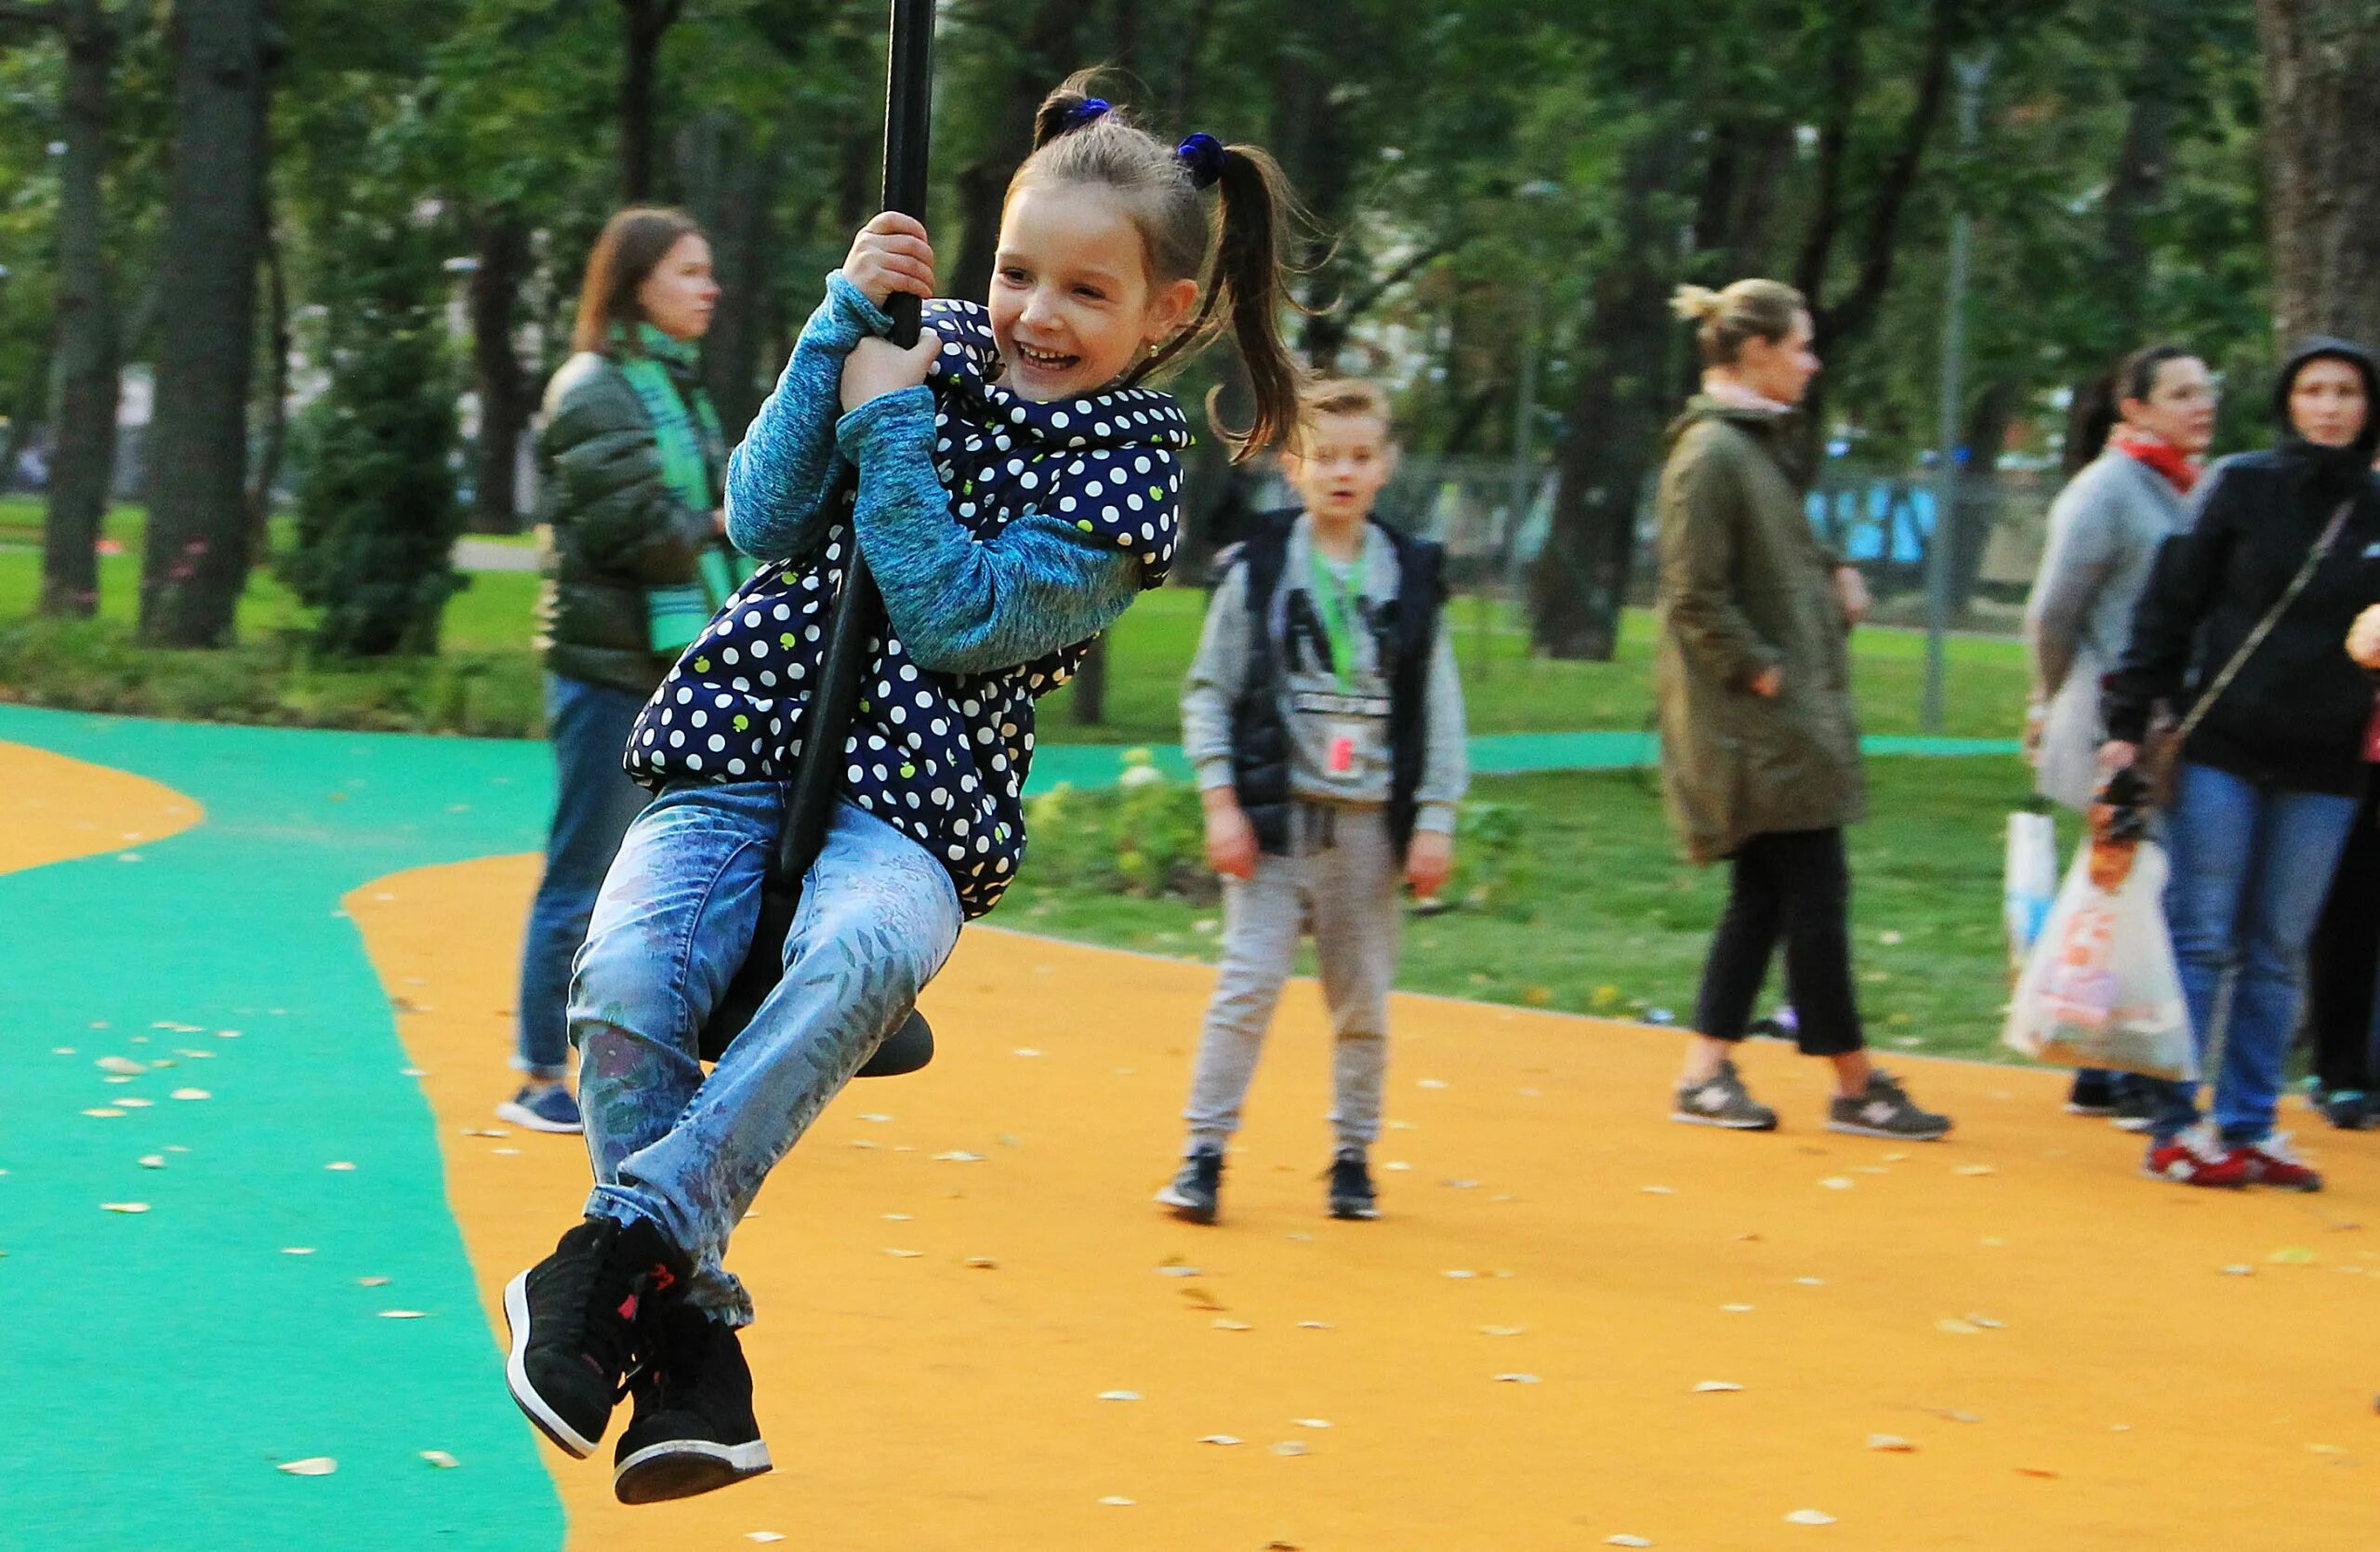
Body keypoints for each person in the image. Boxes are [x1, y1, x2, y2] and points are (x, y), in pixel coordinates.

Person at [500, 76, 1309, 1504]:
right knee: (620, 982)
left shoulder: (1132, 468)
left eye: (1085, 290)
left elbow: (959, 616)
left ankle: (610, 1258)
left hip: (916, 804)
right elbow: (758, 513)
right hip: (745, 740)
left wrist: (892, 435)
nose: (1032, 314)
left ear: (1168, 312)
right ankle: (690, 1347)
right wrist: (835, 335)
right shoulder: (908, 338)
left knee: (869, 948)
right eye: (1013, 271)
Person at [1157, 378, 1468, 1226]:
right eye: (1326, 456)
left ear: (1385, 467)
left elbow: (1439, 709)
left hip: (1367, 830)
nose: (1343, 471)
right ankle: (1204, 1155)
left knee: (1362, 1001)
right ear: (1293, 464)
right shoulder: (1260, 566)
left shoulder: (1408, 572)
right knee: (1246, 989)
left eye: (1361, 457)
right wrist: (1220, 800)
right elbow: (1209, 690)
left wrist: (1435, 818)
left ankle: (1352, 1157)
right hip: (1273, 821)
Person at [1655, 279, 1951, 1141]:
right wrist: (1765, 674)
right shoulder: (1711, 455)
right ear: (1755, 352)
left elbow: (1769, 559)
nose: (1813, 362)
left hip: (1778, 723)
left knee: (1769, 898)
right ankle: (1853, 1083)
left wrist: (1830, 574)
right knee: (1812, 895)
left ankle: (1706, 1070)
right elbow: (1693, 594)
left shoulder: (1747, 450)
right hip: (1762, 728)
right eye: (1801, 345)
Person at [2101, 338, 2380, 1190]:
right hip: (2224, 742)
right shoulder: (2243, 484)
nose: (2329, 406)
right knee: (2205, 935)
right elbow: (2170, 602)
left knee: (2278, 947)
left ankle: (2255, 1123)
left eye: (2346, 392)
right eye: (2312, 390)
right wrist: (2125, 722)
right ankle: (2178, 1122)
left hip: (2327, 761)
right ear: (2287, 403)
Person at [502, 209, 731, 1135]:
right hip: (607, 671)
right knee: (583, 873)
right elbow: (639, 531)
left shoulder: (671, 389)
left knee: (652, 884)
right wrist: (728, 521)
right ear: (636, 282)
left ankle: (637, 1070)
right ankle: (533, 1075)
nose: (708, 288)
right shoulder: (596, 388)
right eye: (688, 272)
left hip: (663, 666)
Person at [2023, 345, 2216, 1127]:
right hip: (2116, 724)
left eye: (2206, 392)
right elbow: (2053, 611)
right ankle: (2126, 1069)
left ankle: (2100, 1068)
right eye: (2179, 393)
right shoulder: (2107, 490)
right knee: (2142, 889)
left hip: (2171, 723)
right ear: (2133, 408)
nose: (2200, 406)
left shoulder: (2191, 487)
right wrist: (2050, 699)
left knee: (2128, 893)